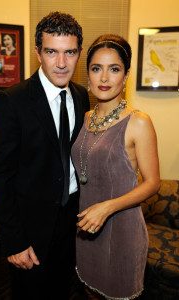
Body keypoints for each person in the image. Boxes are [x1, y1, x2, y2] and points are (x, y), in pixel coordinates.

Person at [0, 11, 89, 300]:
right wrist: (14, 241)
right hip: (30, 227)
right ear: (37, 52)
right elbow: (0, 177)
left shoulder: (81, 95)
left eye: (69, 52)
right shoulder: (12, 101)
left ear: (79, 53)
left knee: (62, 290)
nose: (61, 63)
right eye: (51, 52)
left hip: (71, 221)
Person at [71, 34, 160, 299]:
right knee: (89, 291)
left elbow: (153, 183)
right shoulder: (86, 117)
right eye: (97, 68)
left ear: (127, 74)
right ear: (88, 73)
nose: (104, 78)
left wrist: (107, 207)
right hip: (86, 229)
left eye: (114, 69)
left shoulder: (139, 122)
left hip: (121, 229)